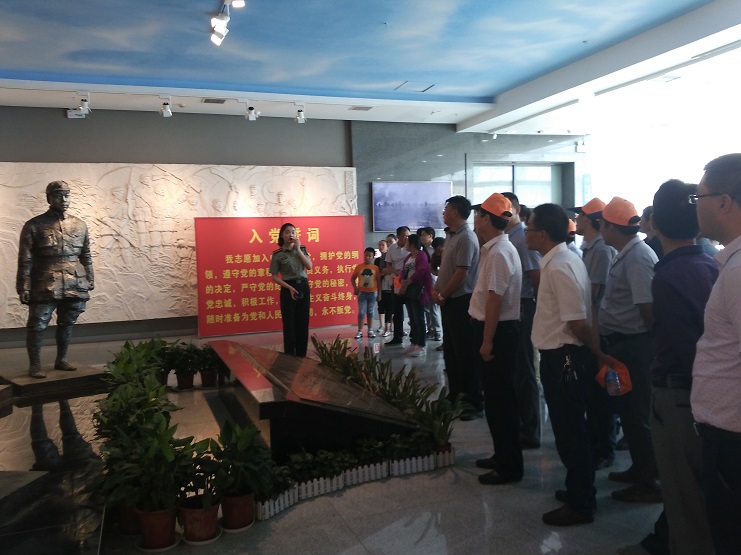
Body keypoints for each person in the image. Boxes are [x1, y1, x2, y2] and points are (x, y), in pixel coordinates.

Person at [636, 179, 717, 554]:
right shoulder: (711, 264)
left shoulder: (668, 276)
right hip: (706, 396)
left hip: (681, 396)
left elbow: (685, 348)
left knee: (684, 500)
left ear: (654, 223)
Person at [526, 203, 603, 526]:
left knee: (571, 432)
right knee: (569, 429)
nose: (526, 233)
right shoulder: (563, 260)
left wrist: (597, 354)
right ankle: (578, 489)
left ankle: (581, 503)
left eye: (529, 228)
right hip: (562, 355)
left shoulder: (560, 266)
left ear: (542, 234)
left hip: (565, 358)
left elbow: (578, 322)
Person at [595, 197, 661, 503]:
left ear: (612, 227)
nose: (600, 230)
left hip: (636, 346)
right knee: (629, 412)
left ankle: (650, 482)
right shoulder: (626, 253)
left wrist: (652, 349)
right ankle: (639, 469)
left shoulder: (637, 257)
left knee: (638, 414)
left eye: (602, 225)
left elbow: (646, 307)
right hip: (623, 345)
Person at [691, 153, 741, 555]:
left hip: (733, 441)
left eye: (699, 197)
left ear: (723, 202)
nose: (696, 206)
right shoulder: (731, 264)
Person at [470, 194, 523, 485]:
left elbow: (495, 299)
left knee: (502, 402)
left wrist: (487, 340)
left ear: (486, 218)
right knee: (495, 400)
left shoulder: (500, 252)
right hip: (495, 330)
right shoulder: (495, 248)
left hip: (498, 333)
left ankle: (509, 466)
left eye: (478, 214)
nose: (475, 219)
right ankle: (501, 454)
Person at [16, 180, 95, 379]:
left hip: (75, 280)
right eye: (59, 195)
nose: (64, 199)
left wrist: (90, 278)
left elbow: (85, 255)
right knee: (37, 323)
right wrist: (24, 286)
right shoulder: (34, 225)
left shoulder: (80, 224)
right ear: (49, 198)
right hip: (45, 280)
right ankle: (35, 365)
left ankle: (62, 359)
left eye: (67, 195)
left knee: (67, 322)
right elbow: (25, 259)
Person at [571, 197, 618, 471]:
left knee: (602, 394)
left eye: (580, 216)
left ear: (590, 220)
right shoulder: (588, 249)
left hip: (599, 330)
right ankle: (596, 442)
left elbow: (593, 295)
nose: (576, 221)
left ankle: (604, 448)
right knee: (593, 392)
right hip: (591, 328)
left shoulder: (600, 250)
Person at [433, 196, 481, 419]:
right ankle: (455, 394)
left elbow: (462, 273)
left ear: (455, 212)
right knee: (452, 351)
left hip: (461, 301)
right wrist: (438, 291)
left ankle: (472, 401)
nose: (443, 213)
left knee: (465, 352)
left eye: (446, 209)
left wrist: (443, 293)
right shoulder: (451, 235)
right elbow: (447, 270)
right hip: (448, 301)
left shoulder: (467, 238)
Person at [501, 192, 542, 448]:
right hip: (515, 308)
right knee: (517, 369)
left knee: (525, 370)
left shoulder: (523, 239)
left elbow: (536, 276)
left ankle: (530, 429)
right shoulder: (511, 237)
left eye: (505, 210)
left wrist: (535, 310)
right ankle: (520, 423)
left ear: (516, 210)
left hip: (524, 307)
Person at [269, 222, 312, 357]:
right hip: (288, 288)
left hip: (303, 286)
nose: (291, 234)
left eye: (293, 232)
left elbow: (309, 266)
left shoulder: (302, 249)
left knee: (303, 322)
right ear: (282, 235)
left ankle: (301, 355)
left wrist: (298, 250)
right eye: (287, 232)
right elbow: (274, 277)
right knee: (289, 324)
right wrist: (288, 287)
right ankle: (289, 356)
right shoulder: (278, 254)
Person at [399, 234, 432, 357]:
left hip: (417, 290)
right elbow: (403, 271)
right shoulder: (409, 256)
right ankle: (414, 343)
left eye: (407, 242)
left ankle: (421, 344)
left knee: (419, 318)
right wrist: (402, 280)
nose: (405, 244)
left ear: (412, 244)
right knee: (412, 318)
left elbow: (421, 271)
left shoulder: (421, 255)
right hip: (409, 290)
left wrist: (409, 282)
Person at [383, 226, 410, 346]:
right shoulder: (392, 248)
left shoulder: (412, 247)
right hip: (397, 280)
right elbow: (388, 265)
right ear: (398, 236)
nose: (407, 238)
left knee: (412, 309)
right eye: (404, 236)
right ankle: (397, 336)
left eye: (408, 235)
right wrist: (397, 274)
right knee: (397, 310)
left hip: (410, 281)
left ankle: (415, 338)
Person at [351, 247, 381, 340]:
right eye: (366, 255)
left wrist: (379, 294)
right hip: (362, 293)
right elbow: (352, 278)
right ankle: (360, 331)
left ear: (373, 257)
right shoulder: (359, 267)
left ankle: (370, 330)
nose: (367, 257)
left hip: (373, 293)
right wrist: (355, 288)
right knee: (361, 311)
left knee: (370, 311)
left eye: (369, 256)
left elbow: (379, 281)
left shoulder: (375, 268)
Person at [419, 226, 441, 341]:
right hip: (424, 282)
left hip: (434, 281)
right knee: (427, 308)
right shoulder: (422, 249)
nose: (421, 237)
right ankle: (430, 330)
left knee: (434, 308)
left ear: (430, 236)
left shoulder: (436, 250)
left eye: (424, 235)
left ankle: (437, 331)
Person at [375, 239, 393, 337]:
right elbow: (378, 273)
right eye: (379, 245)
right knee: (381, 307)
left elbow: (393, 270)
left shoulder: (392, 257)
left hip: (391, 286)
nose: (381, 247)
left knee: (390, 308)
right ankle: (383, 326)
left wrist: (386, 271)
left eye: (383, 245)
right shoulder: (378, 260)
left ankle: (388, 328)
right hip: (381, 286)